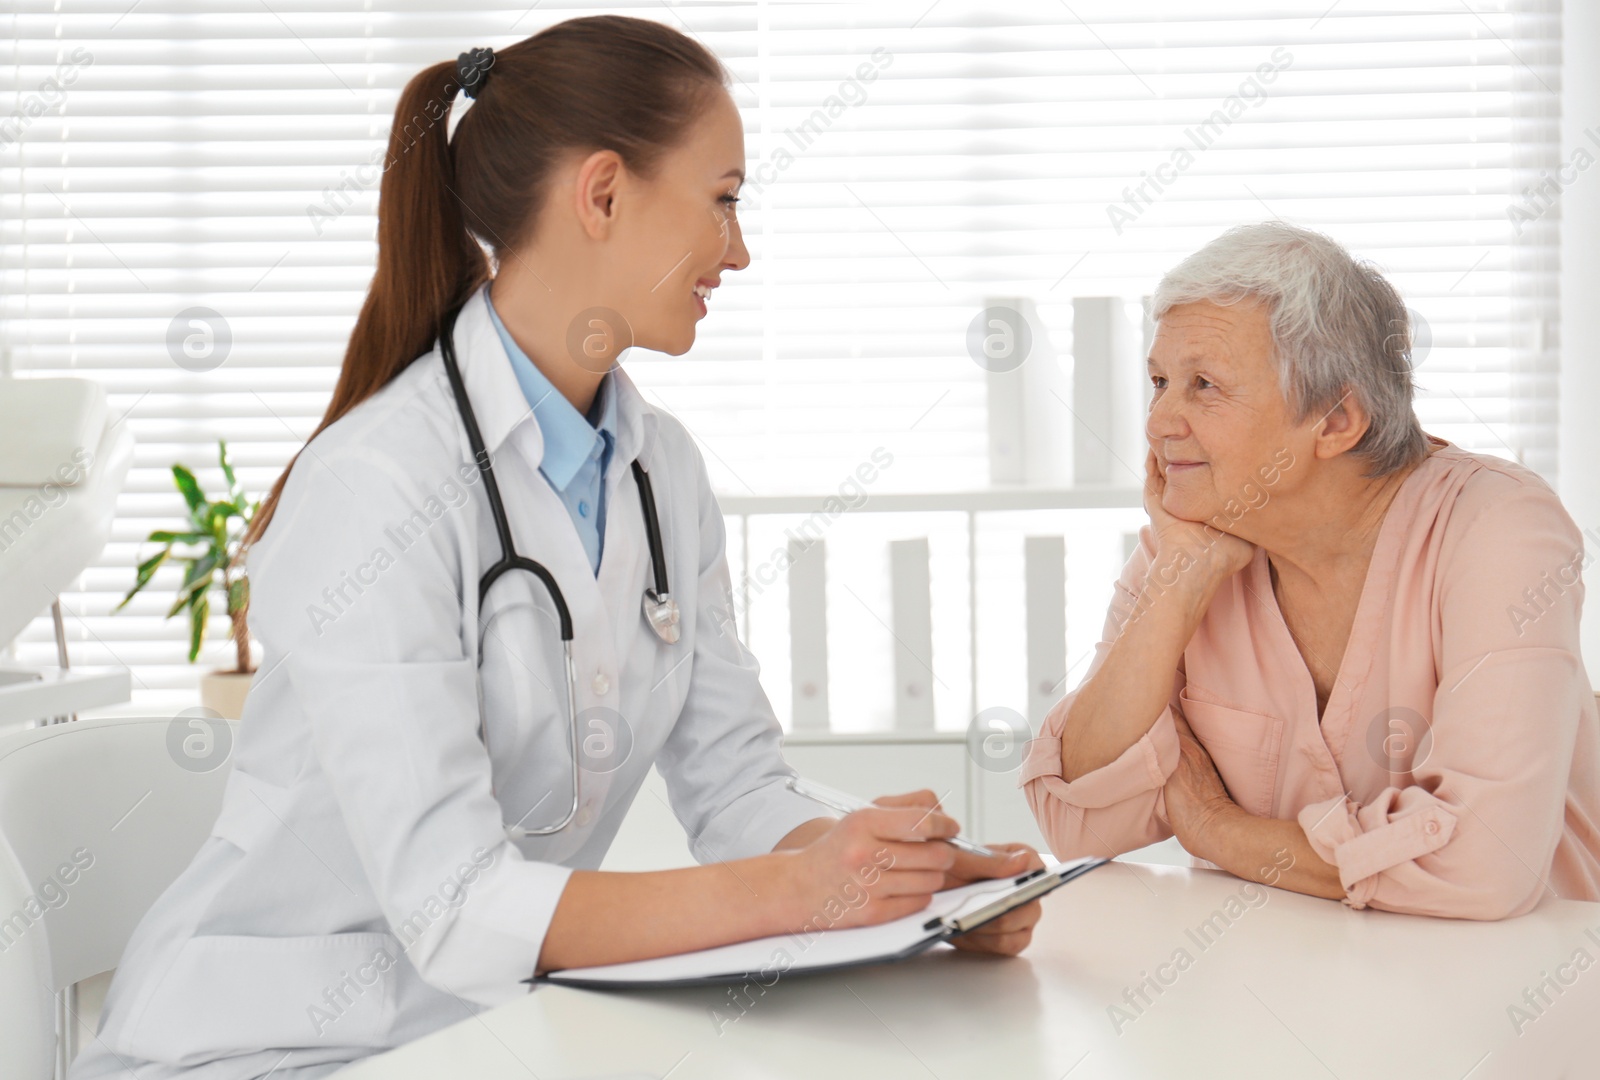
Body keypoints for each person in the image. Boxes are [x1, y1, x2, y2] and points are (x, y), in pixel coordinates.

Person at [72, 17, 1040, 1078]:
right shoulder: (375, 486)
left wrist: (911, 878)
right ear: (605, 194)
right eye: (723, 198)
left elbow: (737, 791)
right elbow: (452, 906)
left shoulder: (659, 467)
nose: (740, 247)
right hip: (267, 1045)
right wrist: (791, 893)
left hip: (482, 1033)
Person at [1021, 222, 1600, 920]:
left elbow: (1481, 865)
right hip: (1292, 987)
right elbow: (1077, 816)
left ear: (1335, 420)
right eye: (1159, 382)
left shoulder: (1499, 527)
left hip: (1520, 988)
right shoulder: (1191, 547)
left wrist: (1215, 829)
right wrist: (1177, 583)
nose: (1158, 421)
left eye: (1203, 385)